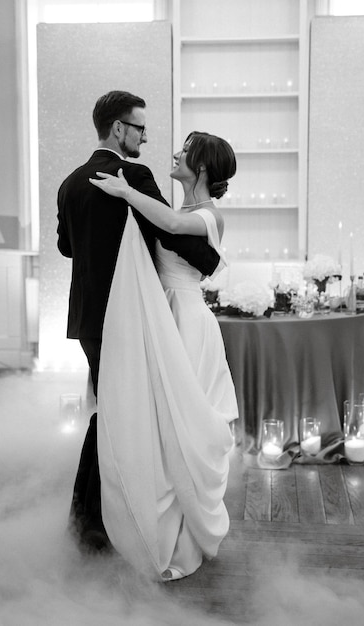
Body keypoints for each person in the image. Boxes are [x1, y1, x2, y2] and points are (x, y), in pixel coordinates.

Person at [57, 91, 221, 551]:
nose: (146, 137)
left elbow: (66, 246)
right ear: (118, 129)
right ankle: (99, 524)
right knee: (124, 419)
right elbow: (166, 228)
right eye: (140, 128)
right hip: (128, 317)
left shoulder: (70, 183)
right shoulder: (134, 174)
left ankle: (87, 521)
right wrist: (209, 260)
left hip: (88, 320)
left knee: (111, 413)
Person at [89, 131, 239, 581]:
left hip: (189, 323)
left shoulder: (210, 216)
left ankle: (185, 541)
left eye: (184, 152)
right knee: (161, 430)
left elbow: (172, 229)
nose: (174, 154)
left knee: (185, 428)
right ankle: (165, 534)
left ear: (203, 167)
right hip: (163, 317)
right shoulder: (178, 210)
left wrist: (125, 190)